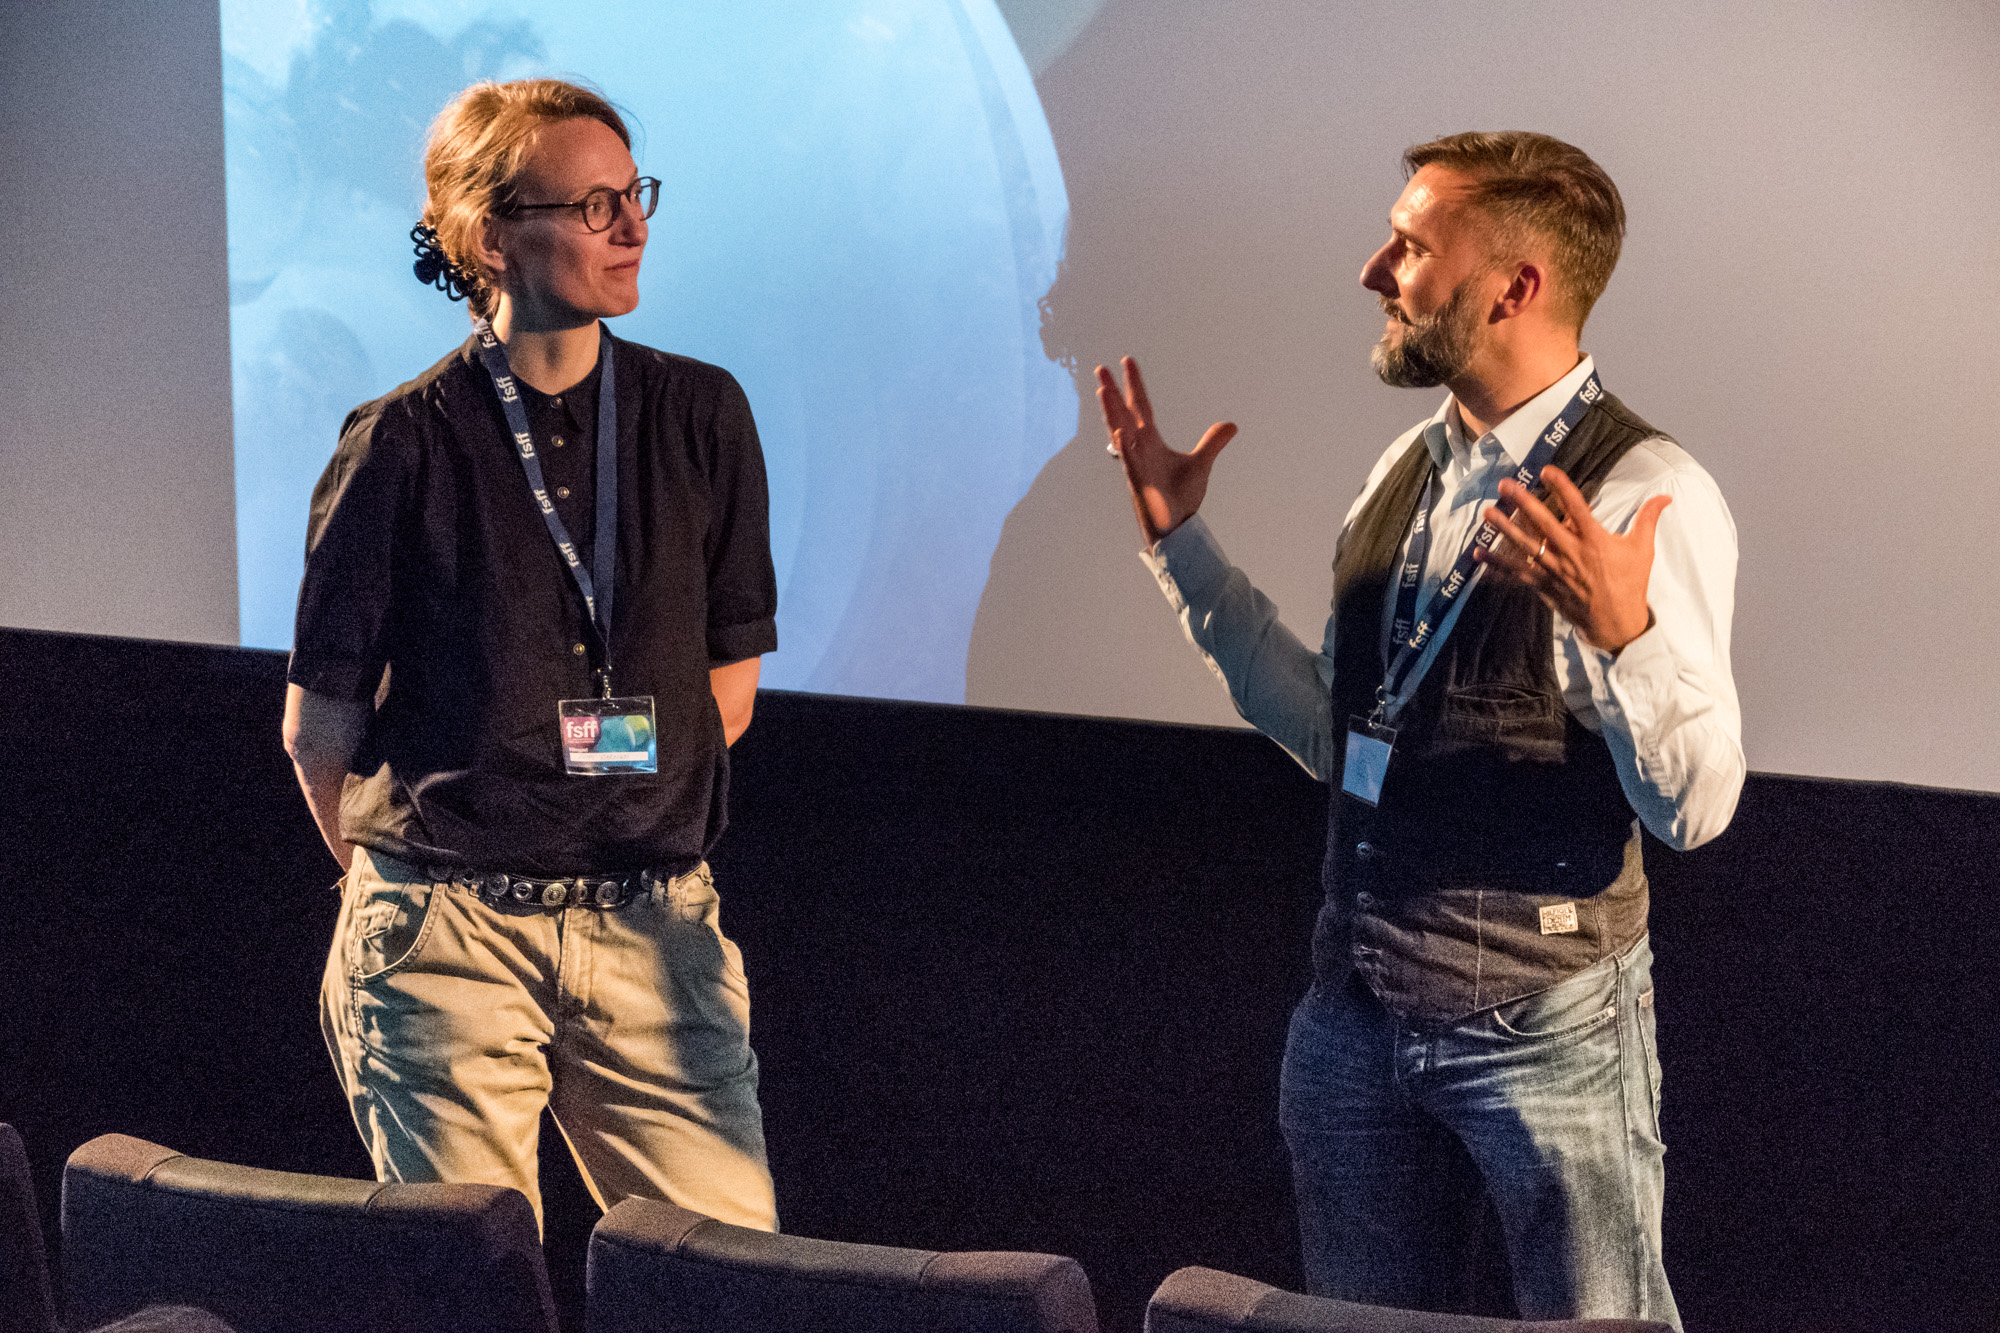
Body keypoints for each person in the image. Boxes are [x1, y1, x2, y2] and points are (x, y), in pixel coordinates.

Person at [1096, 132, 1741, 1327]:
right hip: (1353, 1017)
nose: (1371, 269)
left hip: (1547, 1029)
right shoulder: (1407, 467)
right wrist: (1180, 549)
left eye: (1409, 246)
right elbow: (1334, 733)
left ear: (1513, 287)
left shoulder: (1642, 493)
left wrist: (1626, 634)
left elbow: (1695, 809)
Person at [282, 78, 779, 1232]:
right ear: (488, 238)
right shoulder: (399, 442)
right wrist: (414, 893)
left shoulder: (701, 414)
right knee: (475, 1281)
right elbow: (318, 730)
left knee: (732, 1283)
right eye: (593, 205)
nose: (631, 225)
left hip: (656, 930)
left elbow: (724, 692)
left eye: (635, 195)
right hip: (447, 935)